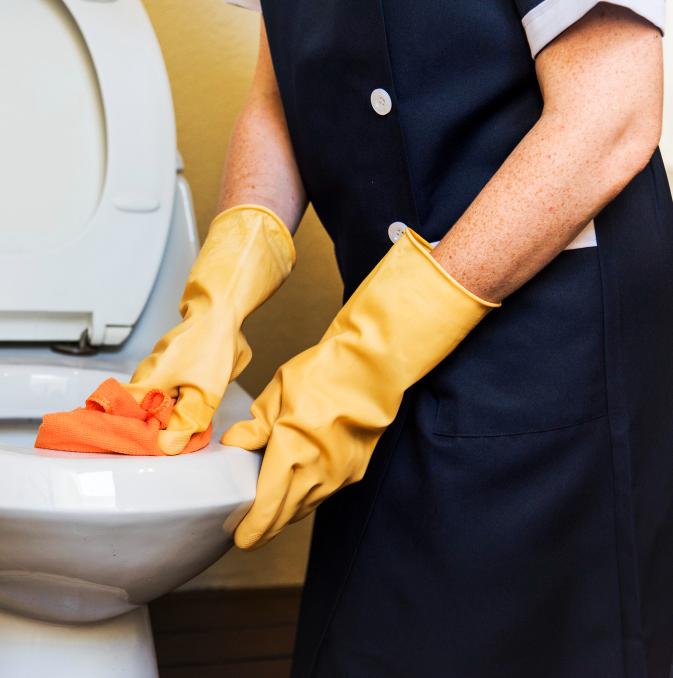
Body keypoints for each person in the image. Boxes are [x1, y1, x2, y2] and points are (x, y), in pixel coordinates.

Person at [124, 0, 672, 675]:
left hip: (553, 340)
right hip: (386, 342)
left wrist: (368, 355)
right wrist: (223, 291)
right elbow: (276, 100)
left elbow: (611, 115)